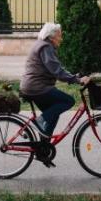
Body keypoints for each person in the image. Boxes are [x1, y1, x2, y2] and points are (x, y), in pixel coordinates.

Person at [20, 23, 91, 165]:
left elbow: (57, 68)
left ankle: (43, 149)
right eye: (59, 35)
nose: (61, 38)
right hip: (37, 87)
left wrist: (74, 76)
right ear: (52, 37)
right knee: (68, 101)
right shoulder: (45, 47)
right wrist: (76, 80)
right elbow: (56, 71)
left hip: (34, 86)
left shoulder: (43, 45)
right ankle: (39, 121)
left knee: (53, 112)